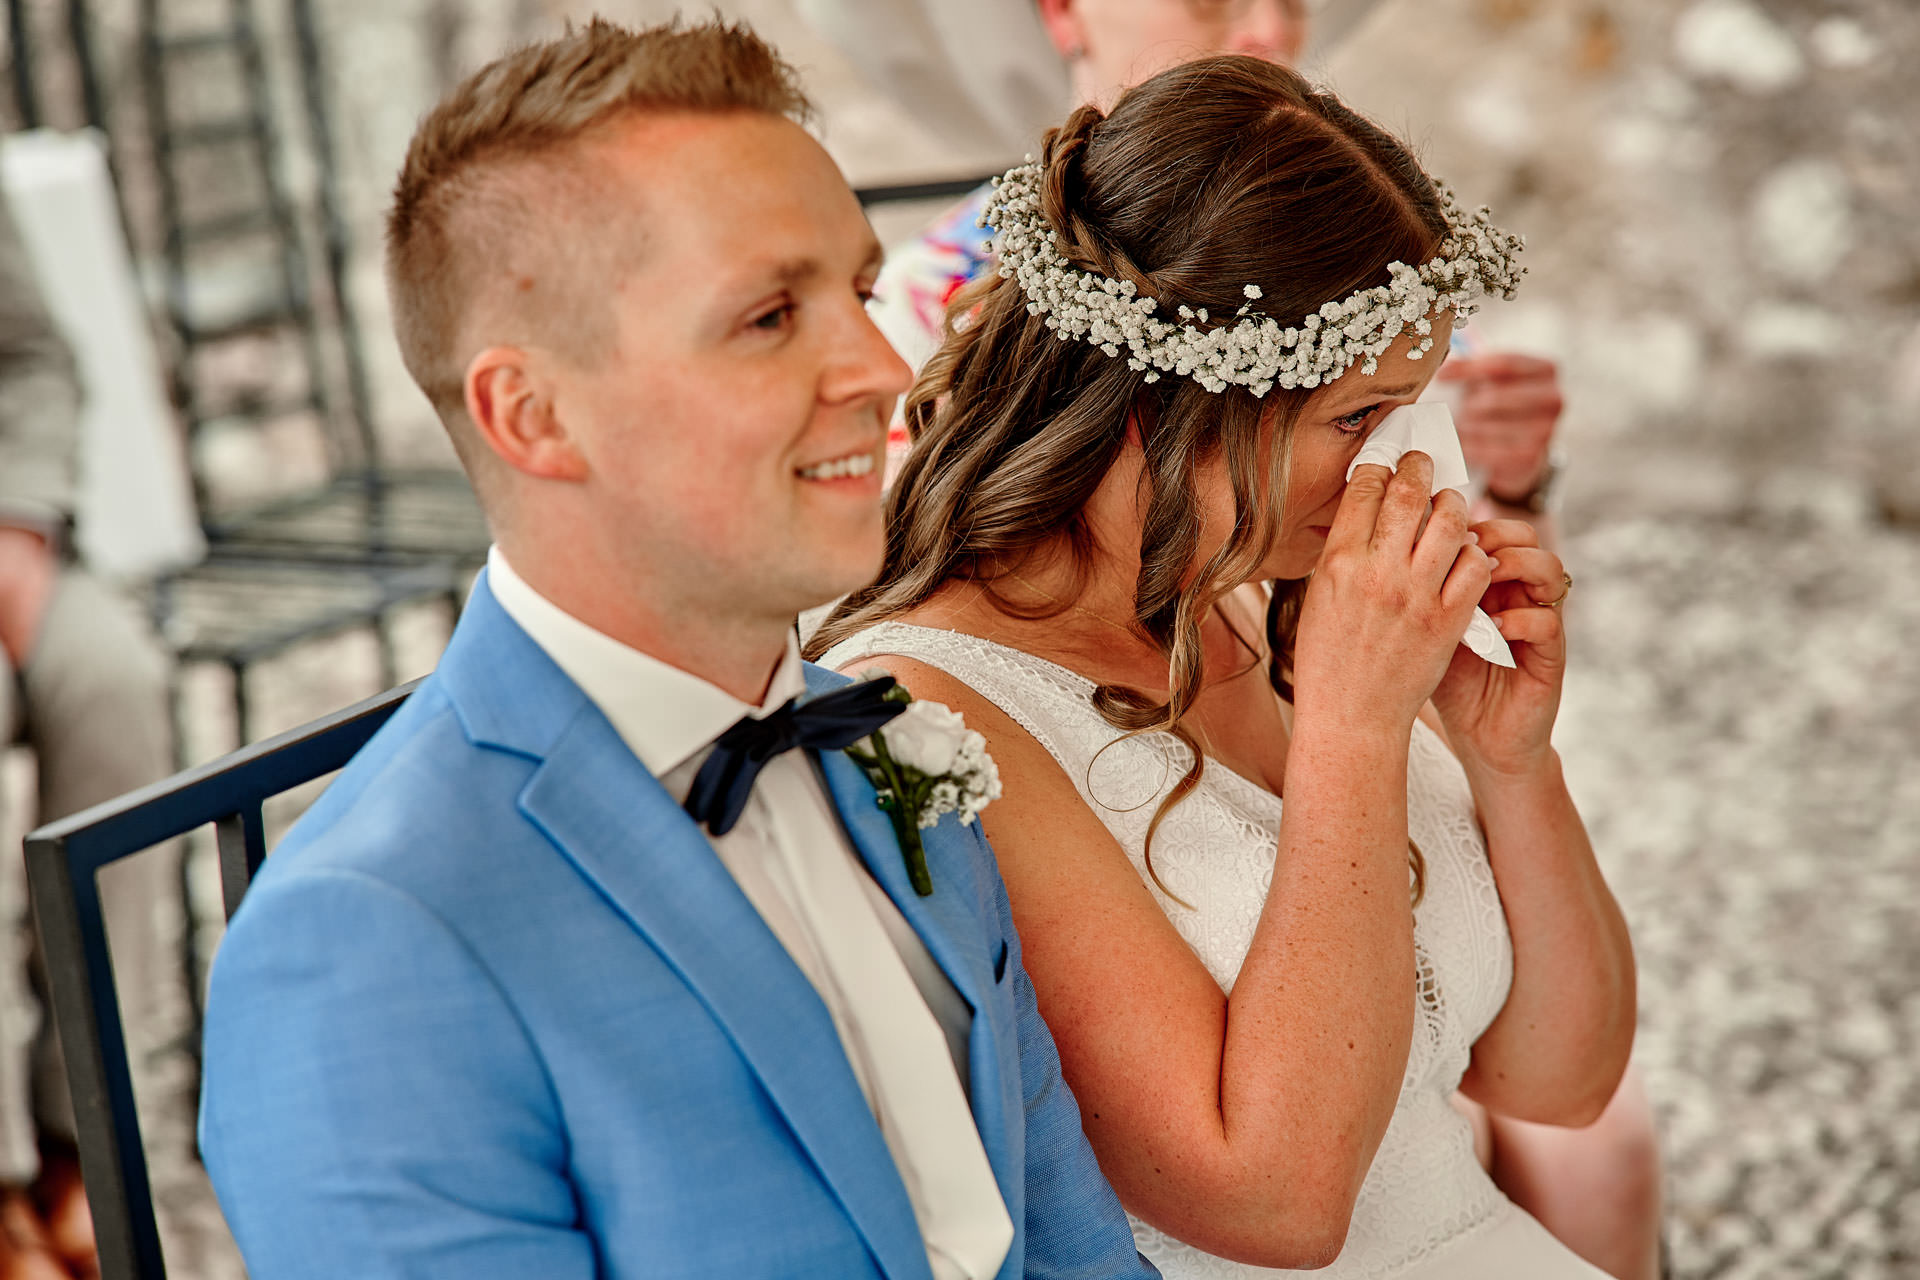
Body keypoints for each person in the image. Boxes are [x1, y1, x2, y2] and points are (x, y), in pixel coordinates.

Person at [196, 20, 1158, 1280]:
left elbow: (1078, 1249)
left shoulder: (893, 757)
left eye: (860, 295)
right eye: (768, 316)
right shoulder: (372, 942)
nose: (881, 369)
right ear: (533, 415)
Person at [805, 3, 1660, 1275]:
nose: (1396, 462)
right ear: (1162, 408)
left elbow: (1562, 1078)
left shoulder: (1255, 595)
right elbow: (1277, 1203)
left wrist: (1514, 763)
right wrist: (1359, 732)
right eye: (1358, 415)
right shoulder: (929, 720)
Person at [809, 0, 1568, 532]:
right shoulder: (927, 304)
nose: (1273, 25)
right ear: (1063, 8)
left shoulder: (1379, 259)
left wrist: (1510, 483)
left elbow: (1466, 633)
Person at [0, 189, 187, 1280]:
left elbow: (30, 357)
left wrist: (21, 525)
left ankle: (83, 1141)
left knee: (115, 680)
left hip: (9, 534)